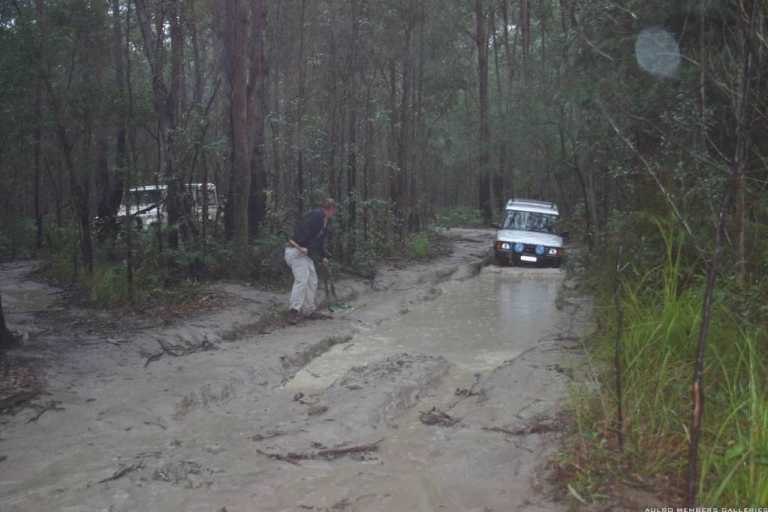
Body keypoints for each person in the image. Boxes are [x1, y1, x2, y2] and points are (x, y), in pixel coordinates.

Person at [285, 198, 337, 323]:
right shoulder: (316, 216)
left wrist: (323, 255)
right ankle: (293, 311)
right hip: (296, 251)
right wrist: (303, 245)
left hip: (305, 254)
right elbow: (302, 231)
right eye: (333, 210)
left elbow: (319, 241)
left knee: (312, 280)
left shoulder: (325, 221)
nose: (334, 213)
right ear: (329, 209)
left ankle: (309, 310)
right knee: (301, 280)